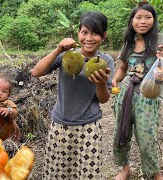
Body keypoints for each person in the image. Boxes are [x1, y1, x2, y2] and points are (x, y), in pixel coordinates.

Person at [31, 11, 114, 179]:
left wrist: (100, 83)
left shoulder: (106, 61)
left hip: (89, 126)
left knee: (86, 174)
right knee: (57, 173)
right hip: (60, 124)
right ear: (78, 33)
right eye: (84, 32)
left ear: (104, 36)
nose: (89, 38)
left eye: (95, 33)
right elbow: (36, 72)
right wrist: (57, 49)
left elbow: (104, 99)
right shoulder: (66, 56)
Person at [111, 1, 163, 180]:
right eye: (138, 17)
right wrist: (116, 78)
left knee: (147, 138)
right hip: (125, 92)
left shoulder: (162, 40)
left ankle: (155, 173)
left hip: (149, 94)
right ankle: (125, 169)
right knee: (120, 132)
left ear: (154, 20)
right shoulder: (129, 43)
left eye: (148, 17)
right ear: (132, 21)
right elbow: (123, 67)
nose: (143, 21)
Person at [0, 76, 21, 141]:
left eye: (4, 91)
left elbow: (15, 112)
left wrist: (9, 110)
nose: (0, 93)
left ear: (8, 95)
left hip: (3, 129)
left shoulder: (7, 103)